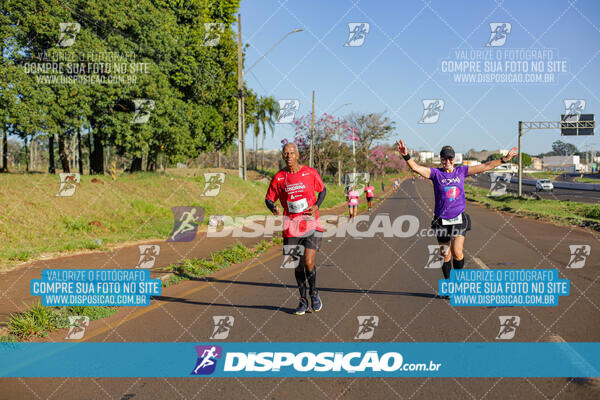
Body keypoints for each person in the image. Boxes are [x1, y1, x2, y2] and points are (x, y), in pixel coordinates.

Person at [396, 139, 517, 296]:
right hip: (441, 219)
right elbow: (416, 167)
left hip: (458, 218)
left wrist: (503, 160)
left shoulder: (462, 172)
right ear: (441, 159)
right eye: (444, 158)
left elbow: (485, 166)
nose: (447, 161)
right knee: (445, 254)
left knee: (457, 251)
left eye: (450, 158)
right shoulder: (435, 174)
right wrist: (406, 155)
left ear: (454, 159)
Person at [265, 142, 326, 315]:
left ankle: (314, 293)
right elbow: (269, 199)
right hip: (291, 227)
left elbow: (322, 191)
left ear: (298, 155)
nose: (288, 156)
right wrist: (274, 208)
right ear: (283, 156)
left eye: (292, 153)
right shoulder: (279, 177)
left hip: (312, 224)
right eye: (285, 153)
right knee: (297, 265)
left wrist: (316, 206)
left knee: (308, 261)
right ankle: (303, 300)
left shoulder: (310, 172)